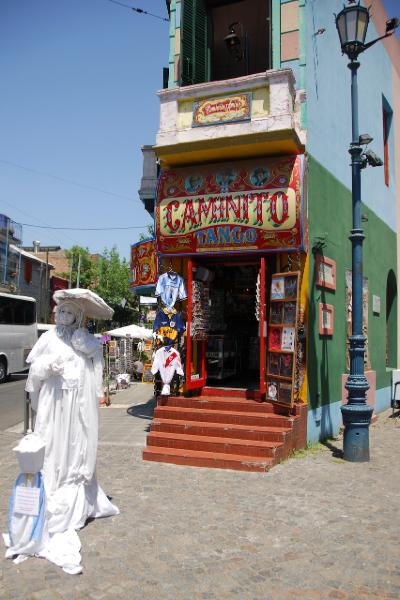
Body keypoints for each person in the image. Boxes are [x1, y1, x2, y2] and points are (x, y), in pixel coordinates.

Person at [5, 291, 119, 574]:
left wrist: (87, 353)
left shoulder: (84, 340)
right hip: (52, 405)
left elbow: (94, 367)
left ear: (79, 317)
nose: (65, 317)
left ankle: (73, 489)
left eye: (71, 313)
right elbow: (33, 368)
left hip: (75, 408)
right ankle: (48, 488)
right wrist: (48, 367)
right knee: (52, 445)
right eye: (63, 312)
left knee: (72, 448)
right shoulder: (48, 339)